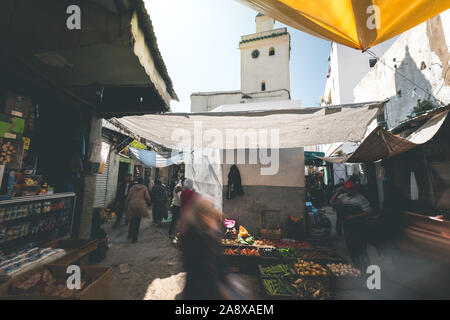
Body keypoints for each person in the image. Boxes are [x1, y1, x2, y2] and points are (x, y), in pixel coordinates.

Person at [178, 195, 245, 300]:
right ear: (201, 215)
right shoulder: (192, 236)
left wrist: (227, 278)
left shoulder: (209, 228)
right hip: (200, 288)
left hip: (213, 282)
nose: (212, 216)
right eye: (209, 213)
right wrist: (219, 288)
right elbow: (199, 268)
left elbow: (218, 258)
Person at [330, 179, 371, 270]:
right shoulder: (343, 197)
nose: (349, 191)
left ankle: (366, 267)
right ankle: (356, 266)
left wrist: (354, 216)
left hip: (359, 227)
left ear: (354, 188)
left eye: (351, 189)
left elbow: (368, 212)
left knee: (361, 248)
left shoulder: (361, 199)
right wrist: (339, 191)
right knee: (351, 246)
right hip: (348, 227)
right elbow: (332, 201)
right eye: (348, 189)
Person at [124, 178, 151, 243]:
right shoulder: (144, 188)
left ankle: (130, 234)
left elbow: (128, 197)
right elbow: (147, 197)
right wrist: (148, 202)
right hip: (140, 206)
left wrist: (126, 205)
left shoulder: (132, 188)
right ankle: (134, 238)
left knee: (132, 220)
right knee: (137, 221)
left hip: (132, 205)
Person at [169, 177, 185, 242]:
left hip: (178, 206)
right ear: (182, 181)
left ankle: (174, 233)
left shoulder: (180, 187)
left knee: (176, 221)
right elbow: (180, 197)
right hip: (177, 206)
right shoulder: (178, 187)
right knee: (175, 221)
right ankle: (171, 233)